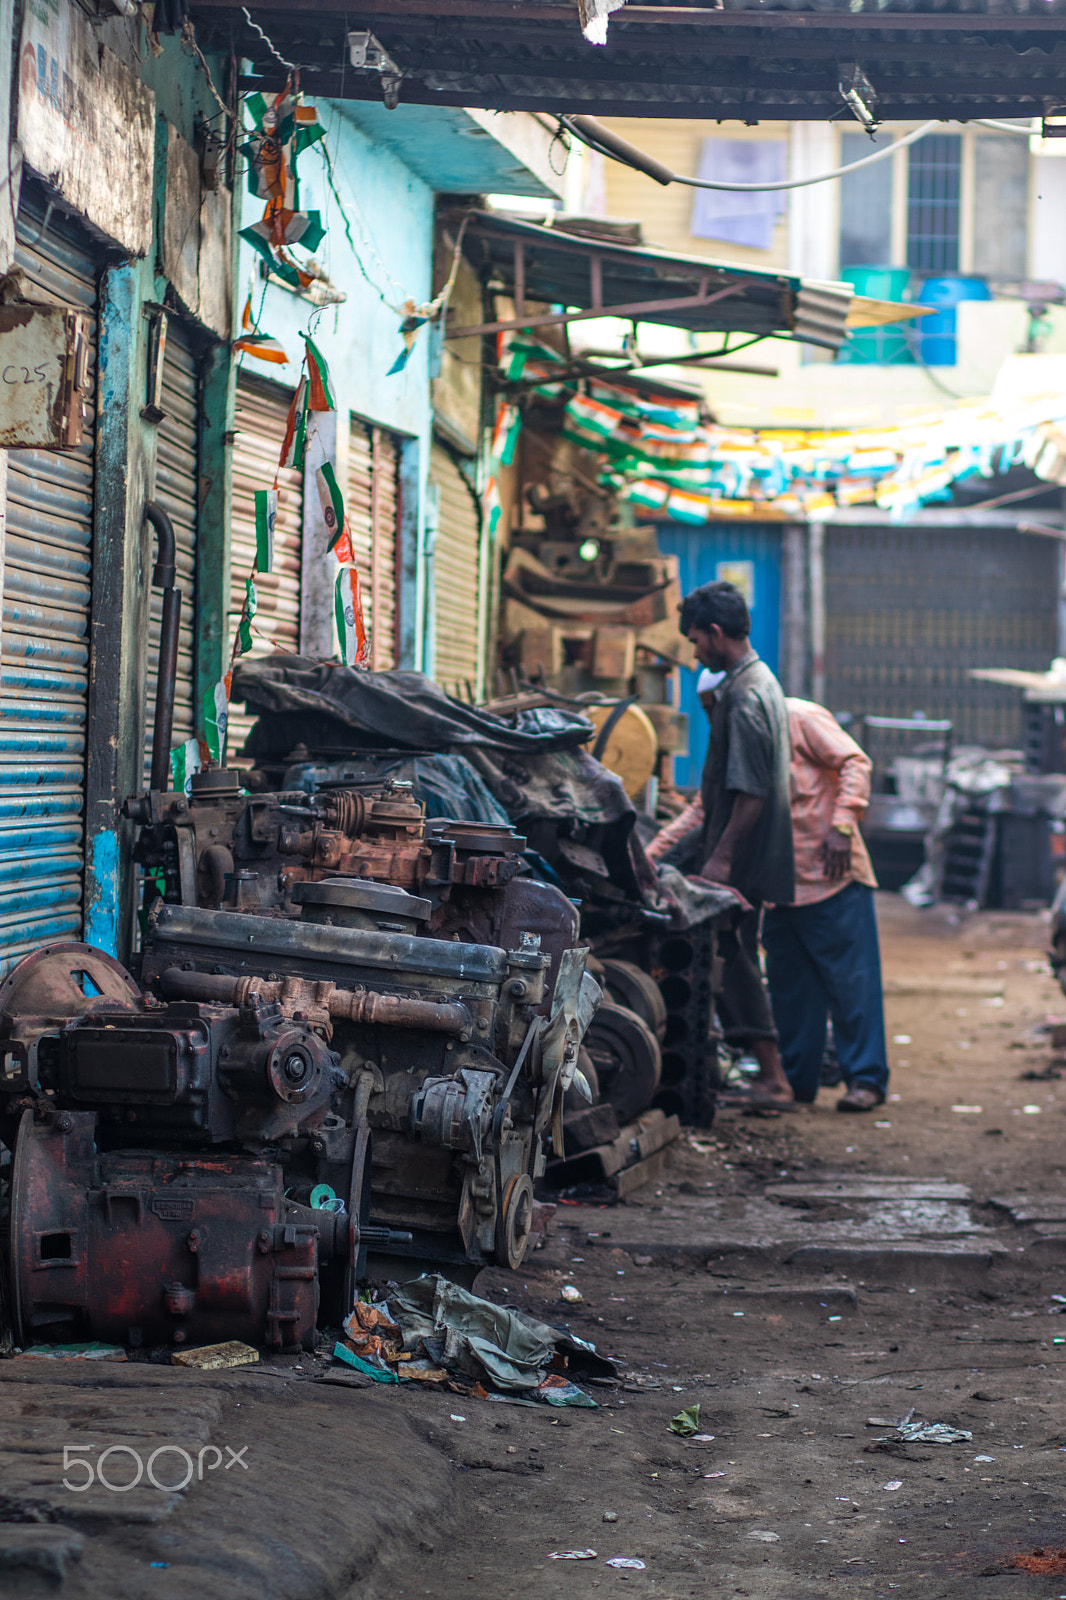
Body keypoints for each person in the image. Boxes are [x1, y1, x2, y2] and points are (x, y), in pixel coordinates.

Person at [649, 689, 888, 1112]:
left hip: (831, 878)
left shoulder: (801, 717)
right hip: (778, 887)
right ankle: (796, 1082)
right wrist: (647, 859)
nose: (713, 720)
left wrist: (844, 824)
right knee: (791, 994)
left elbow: (855, 762)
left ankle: (865, 1080)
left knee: (853, 987)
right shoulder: (730, 748)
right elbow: (703, 811)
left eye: (716, 710)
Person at [674, 580, 796, 1109]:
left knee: (734, 953)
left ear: (717, 633)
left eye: (698, 640)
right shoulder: (752, 682)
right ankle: (760, 1070)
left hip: (744, 850)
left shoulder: (747, 696)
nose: (696, 652)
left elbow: (750, 790)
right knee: (736, 950)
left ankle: (772, 1078)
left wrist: (720, 857)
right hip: (748, 844)